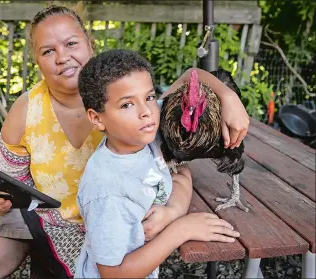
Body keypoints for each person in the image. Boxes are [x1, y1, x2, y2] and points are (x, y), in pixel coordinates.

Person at [0, 4, 249, 279]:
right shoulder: (26, 110)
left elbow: (189, 80)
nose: (62, 57)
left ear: (90, 44)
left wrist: (227, 96)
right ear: (36, 59)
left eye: (71, 44)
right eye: (48, 51)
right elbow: (6, 179)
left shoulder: (123, 91)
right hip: (45, 216)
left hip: (107, 222)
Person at [74, 49, 240, 278]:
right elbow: (112, 274)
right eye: (126, 105)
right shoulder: (107, 192)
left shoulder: (147, 131)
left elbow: (190, 75)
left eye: (150, 97)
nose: (146, 112)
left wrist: (229, 97)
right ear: (97, 118)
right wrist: (181, 229)